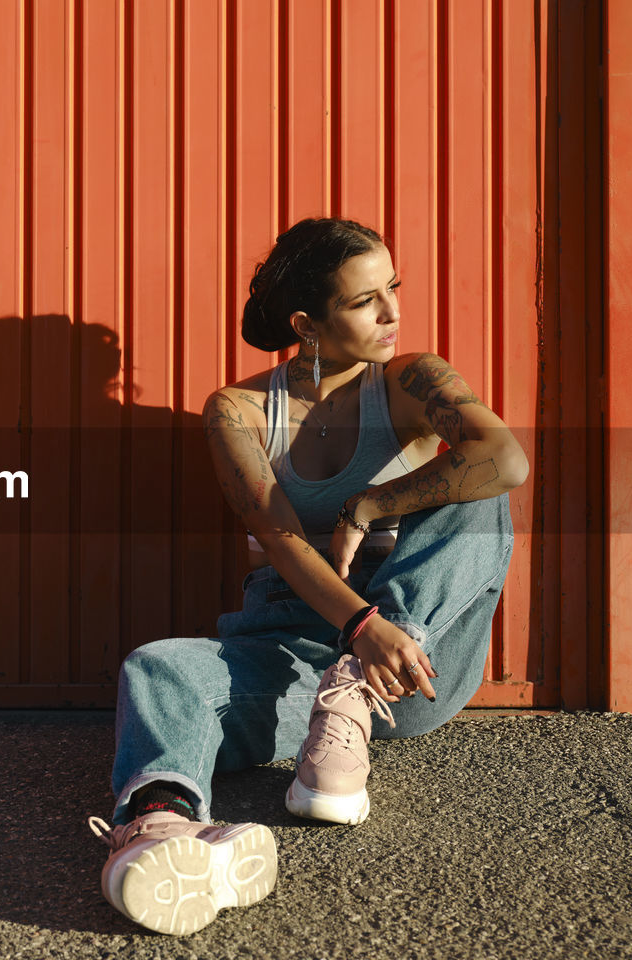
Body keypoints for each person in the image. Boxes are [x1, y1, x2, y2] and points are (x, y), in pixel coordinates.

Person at [86, 217, 528, 936]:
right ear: (307, 323)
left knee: (480, 497)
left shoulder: (416, 380)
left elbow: (505, 460)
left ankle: (352, 693)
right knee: (159, 669)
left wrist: (374, 504)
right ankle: (158, 830)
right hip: (293, 650)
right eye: (364, 301)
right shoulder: (238, 411)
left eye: (394, 289)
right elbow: (282, 540)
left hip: (405, 675)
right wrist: (359, 625)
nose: (392, 313)